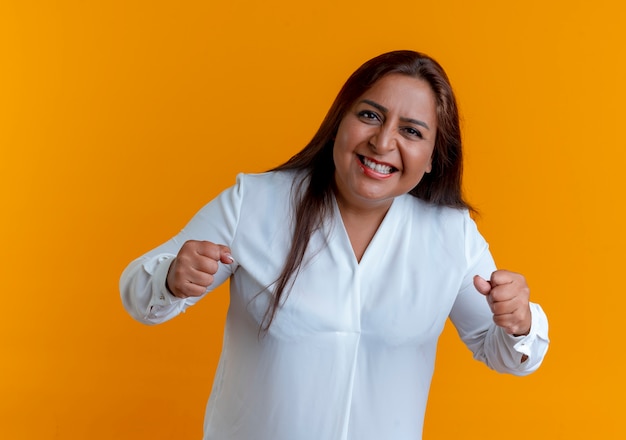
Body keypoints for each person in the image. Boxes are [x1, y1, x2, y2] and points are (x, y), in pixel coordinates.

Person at [120, 50, 549, 440]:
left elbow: (505, 354)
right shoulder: (254, 201)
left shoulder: (451, 235)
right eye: (370, 115)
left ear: (434, 156)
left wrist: (520, 323)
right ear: (340, 121)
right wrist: (172, 278)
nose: (382, 143)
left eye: (412, 131)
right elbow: (139, 297)